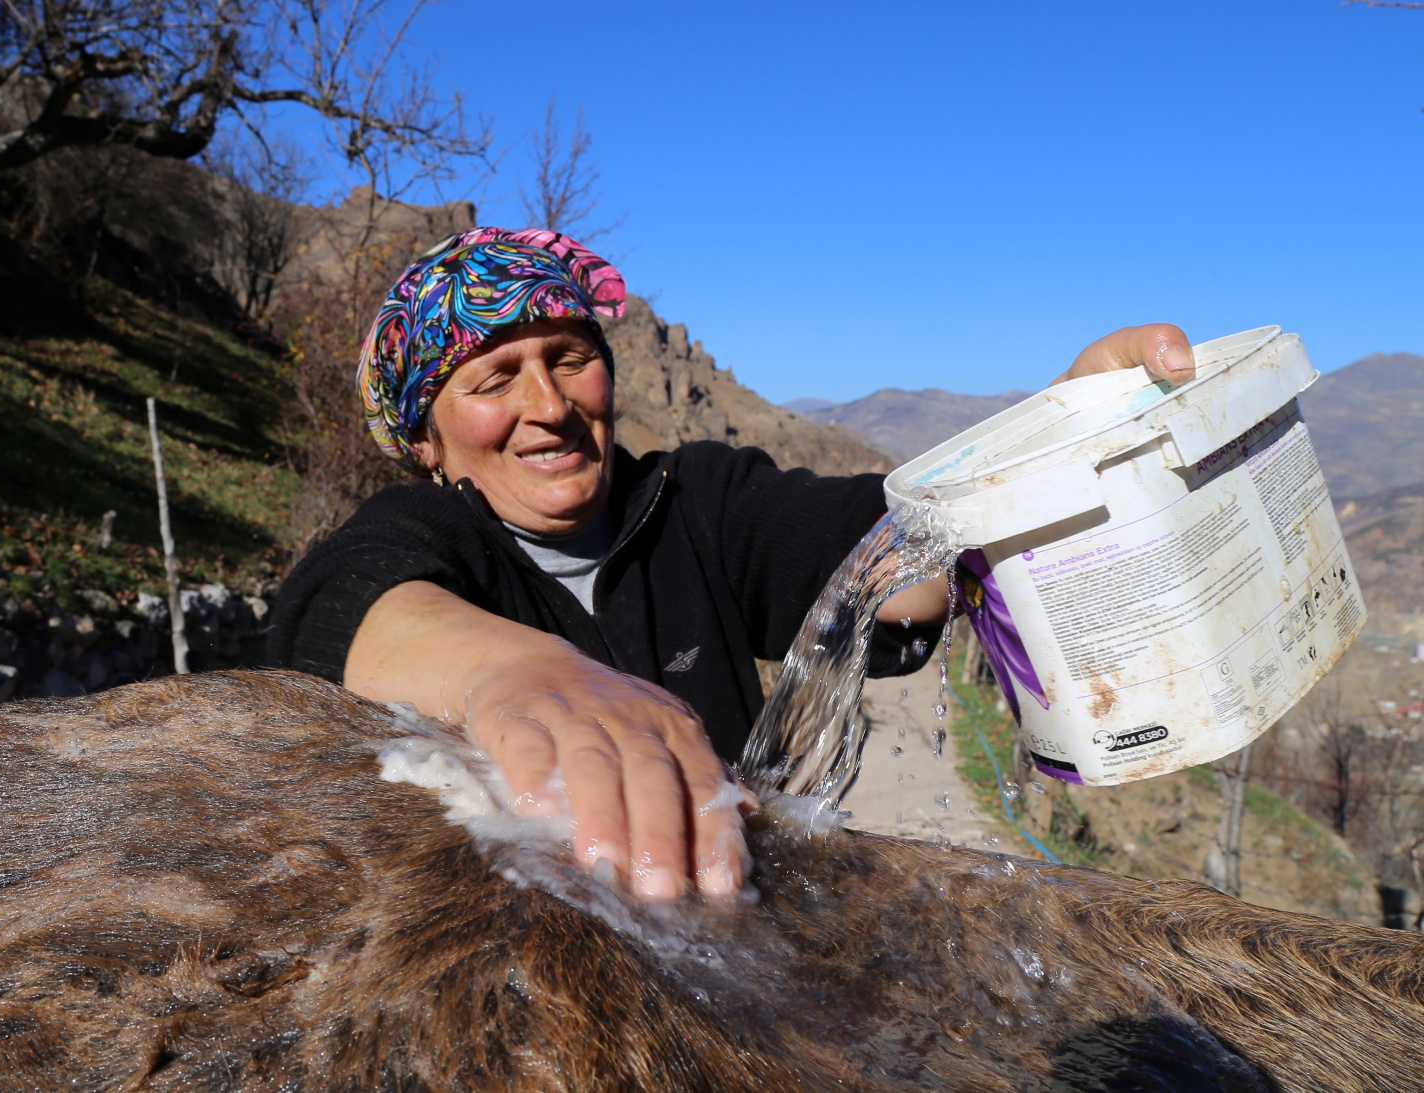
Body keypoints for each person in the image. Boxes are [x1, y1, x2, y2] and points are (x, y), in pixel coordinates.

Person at [267, 227, 1194, 903]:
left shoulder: (695, 503)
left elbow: (897, 551)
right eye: (493, 380)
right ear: (426, 440)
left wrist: (1050, 447)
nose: (547, 404)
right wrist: (520, 674)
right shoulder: (428, 534)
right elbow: (335, 609)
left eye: (570, 359)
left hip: (736, 942)